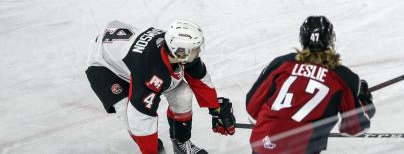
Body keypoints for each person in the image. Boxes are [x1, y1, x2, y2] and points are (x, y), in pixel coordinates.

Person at [85, 19, 236, 154]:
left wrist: (216, 109)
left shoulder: (176, 49)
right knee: (128, 113)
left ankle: (181, 142)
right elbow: (141, 116)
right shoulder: (151, 71)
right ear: (180, 52)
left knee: (182, 93)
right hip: (102, 64)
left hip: (123, 50)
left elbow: (200, 79)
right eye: (195, 49)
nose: (197, 52)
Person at [246, 16, 375, 154]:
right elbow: (355, 129)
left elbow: (252, 109)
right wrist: (365, 103)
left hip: (263, 145)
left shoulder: (281, 64)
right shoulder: (344, 77)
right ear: (330, 40)